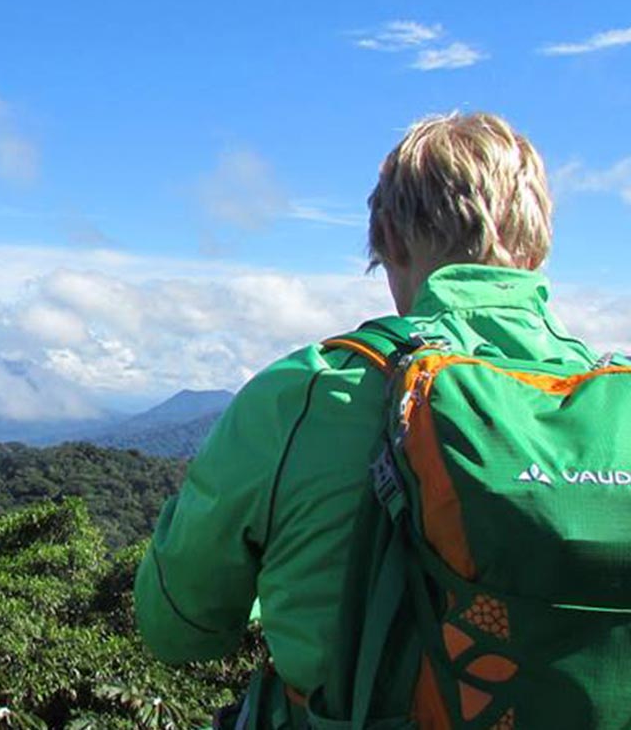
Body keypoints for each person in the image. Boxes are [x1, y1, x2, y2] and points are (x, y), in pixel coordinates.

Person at [134, 112, 583, 724]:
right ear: (538, 244)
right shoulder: (615, 401)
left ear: (390, 240)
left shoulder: (300, 397)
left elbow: (178, 632)